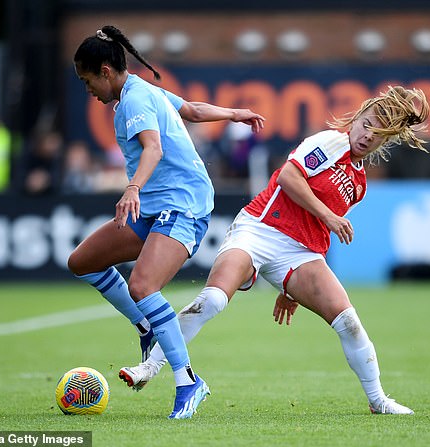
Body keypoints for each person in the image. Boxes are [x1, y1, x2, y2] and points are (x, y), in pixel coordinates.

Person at [119, 85, 430, 415]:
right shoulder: (331, 142)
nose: (368, 135)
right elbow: (288, 178)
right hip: (258, 230)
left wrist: (291, 289)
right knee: (213, 300)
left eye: (378, 134)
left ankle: (378, 400)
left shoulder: (359, 184)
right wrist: (328, 214)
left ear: (385, 142)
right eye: (366, 124)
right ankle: (150, 367)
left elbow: (318, 230)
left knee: (349, 321)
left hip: (298, 253)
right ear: (355, 120)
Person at [67, 25, 265, 419]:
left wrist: (132, 188)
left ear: (105, 71)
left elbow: (153, 148)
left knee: (141, 285)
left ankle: (188, 382)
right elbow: (190, 110)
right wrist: (232, 113)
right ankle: (145, 327)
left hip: (183, 204)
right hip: (157, 205)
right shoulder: (142, 90)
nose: (87, 89)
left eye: (87, 80)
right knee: (82, 262)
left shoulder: (136, 98)